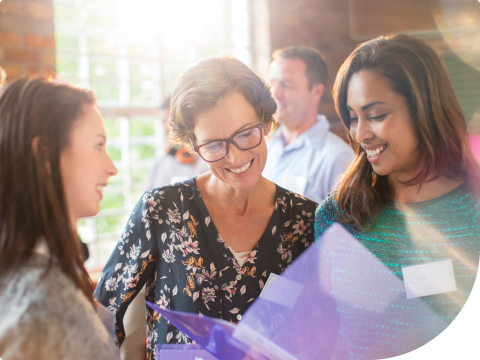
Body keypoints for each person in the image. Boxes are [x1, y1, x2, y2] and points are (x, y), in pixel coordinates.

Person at [94, 56, 318, 359]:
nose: (235, 158)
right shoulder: (161, 209)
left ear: (266, 122)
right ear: (192, 145)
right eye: (213, 145)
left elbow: (320, 329)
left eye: (246, 134)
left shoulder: (304, 220)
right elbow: (101, 315)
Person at [315, 34, 480, 331]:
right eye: (353, 117)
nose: (360, 133)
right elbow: (328, 330)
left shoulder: (474, 209)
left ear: (424, 110)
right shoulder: (337, 215)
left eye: (376, 115)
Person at [0, 77, 119, 359]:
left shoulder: (24, 273)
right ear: (47, 155)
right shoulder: (42, 306)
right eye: (98, 146)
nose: (111, 168)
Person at [263, 46, 354, 204]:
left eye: (287, 85)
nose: (275, 94)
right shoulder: (266, 149)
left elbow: (347, 226)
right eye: (272, 83)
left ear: (317, 92)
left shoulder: (339, 158)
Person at [145, 95, 209, 190]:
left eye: (170, 122)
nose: (166, 129)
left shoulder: (208, 161)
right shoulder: (159, 163)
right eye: (163, 122)